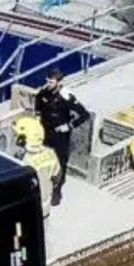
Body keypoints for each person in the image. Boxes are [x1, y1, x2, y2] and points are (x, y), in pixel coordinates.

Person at [34, 68, 89, 206]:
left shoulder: (66, 96)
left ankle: (57, 190)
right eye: (47, 81)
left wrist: (69, 126)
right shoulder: (43, 93)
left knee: (59, 162)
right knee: (43, 160)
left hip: (60, 135)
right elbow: (38, 110)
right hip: (45, 132)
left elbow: (84, 115)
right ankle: (43, 185)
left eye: (51, 81)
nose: (48, 84)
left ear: (59, 82)